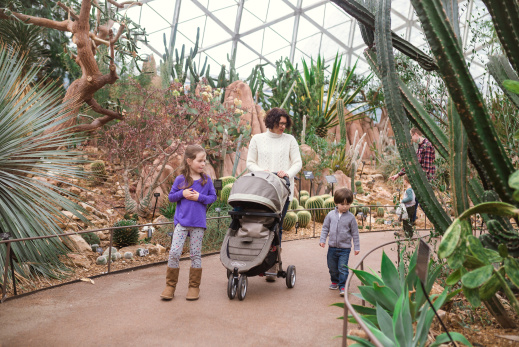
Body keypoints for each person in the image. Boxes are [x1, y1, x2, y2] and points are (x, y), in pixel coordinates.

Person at [246, 107, 302, 281]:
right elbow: (250, 162)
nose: (283, 127)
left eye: (285, 124)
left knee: (275, 228)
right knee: (256, 225)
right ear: (271, 122)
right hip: (260, 191)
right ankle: (251, 260)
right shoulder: (257, 139)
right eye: (280, 123)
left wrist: (287, 173)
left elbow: (298, 162)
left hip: (282, 193)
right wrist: (262, 171)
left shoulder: (290, 140)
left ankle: (272, 263)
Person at [160, 144, 217, 301]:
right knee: (174, 253)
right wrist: (182, 193)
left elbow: (213, 198)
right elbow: (171, 197)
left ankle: (194, 287)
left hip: (198, 224)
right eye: (200, 160)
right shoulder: (180, 179)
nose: (203, 164)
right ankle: (170, 286)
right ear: (189, 161)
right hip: (182, 223)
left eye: (204, 161)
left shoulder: (206, 180)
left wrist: (200, 197)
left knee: (195, 255)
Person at [319, 188, 360, 297]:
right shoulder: (331, 215)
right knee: (332, 266)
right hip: (332, 247)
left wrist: (357, 247)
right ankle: (335, 281)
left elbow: (355, 233)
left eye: (348, 204)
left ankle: (343, 285)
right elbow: (325, 228)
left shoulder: (351, 218)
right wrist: (322, 240)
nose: (345, 206)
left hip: (345, 248)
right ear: (336, 203)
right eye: (342, 204)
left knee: (342, 267)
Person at [389, 127, 435, 223]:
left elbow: (426, 169)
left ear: (416, 134)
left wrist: (413, 174)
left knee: (423, 204)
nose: (411, 139)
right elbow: (414, 164)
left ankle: (436, 224)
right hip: (419, 181)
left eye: (411, 136)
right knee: (415, 202)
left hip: (424, 182)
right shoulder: (421, 146)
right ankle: (410, 224)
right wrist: (398, 174)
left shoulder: (427, 146)